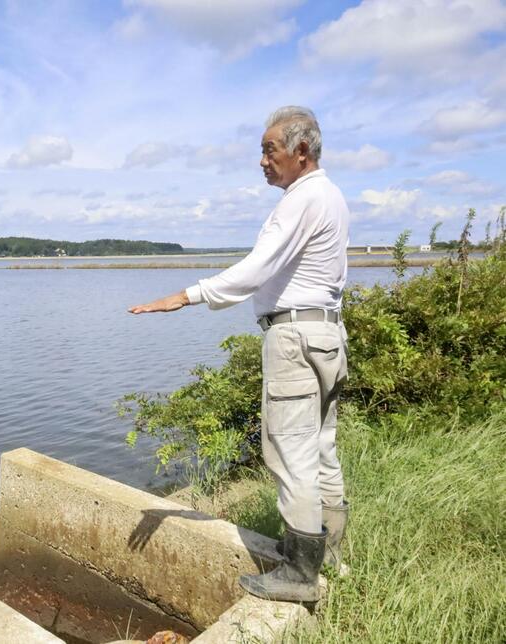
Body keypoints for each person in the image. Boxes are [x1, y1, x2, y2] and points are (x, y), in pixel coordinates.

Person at [128, 106, 350, 603]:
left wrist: (185, 295)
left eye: (269, 150)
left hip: (295, 339)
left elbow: (254, 270)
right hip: (328, 335)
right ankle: (330, 553)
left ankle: (299, 575)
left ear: (300, 151)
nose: (262, 161)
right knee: (320, 448)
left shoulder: (300, 200)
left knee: (291, 453)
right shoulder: (332, 196)